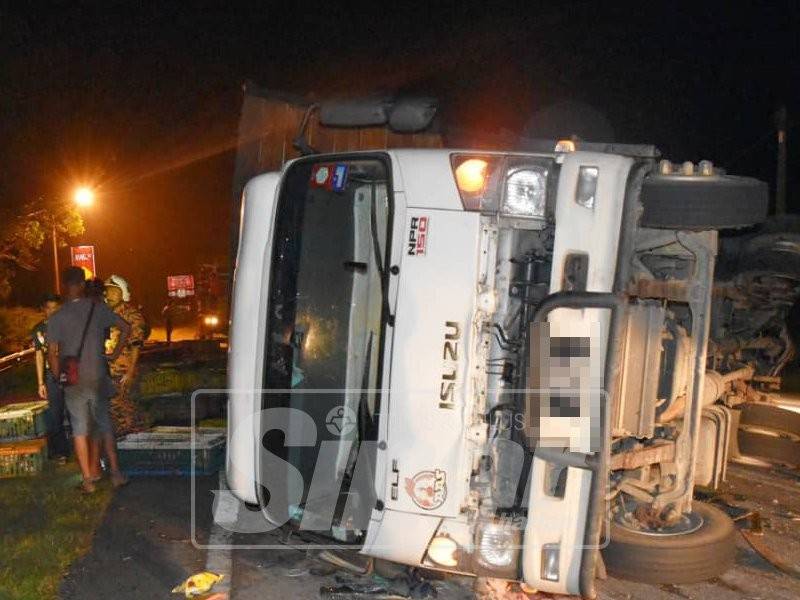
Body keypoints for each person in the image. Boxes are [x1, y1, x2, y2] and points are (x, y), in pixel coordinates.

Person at [47, 267, 131, 493]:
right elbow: (126, 327)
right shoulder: (98, 309)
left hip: (73, 379)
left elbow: (52, 353)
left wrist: (58, 378)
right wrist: (113, 354)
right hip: (98, 376)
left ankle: (88, 480)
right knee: (104, 425)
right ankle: (115, 474)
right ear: (82, 284)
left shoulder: (57, 317)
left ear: (65, 287)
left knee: (79, 429)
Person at [104, 274, 150, 437]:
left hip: (124, 372)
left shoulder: (132, 315)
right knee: (114, 411)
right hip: (107, 372)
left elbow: (136, 345)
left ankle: (135, 440)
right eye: (107, 291)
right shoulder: (104, 314)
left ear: (123, 293)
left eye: (114, 291)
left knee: (128, 409)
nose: (109, 295)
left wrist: (130, 371)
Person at [31, 293, 70, 460]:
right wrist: (41, 382)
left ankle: (83, 448)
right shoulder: (39, 330)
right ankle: (61, 452)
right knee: (55, 414)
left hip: (70, 372)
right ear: (43, 310)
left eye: (56, 308)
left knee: (75, 411)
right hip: (51, 376)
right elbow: (39, 355)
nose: (53, 311)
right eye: (49, 308)